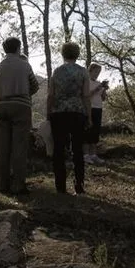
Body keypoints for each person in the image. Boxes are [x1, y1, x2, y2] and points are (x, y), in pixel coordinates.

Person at [0, 37, 40, 196]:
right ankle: (18, 185)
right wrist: (25, 93)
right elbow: (34, 85)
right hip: (21, 106)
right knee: (19, 146)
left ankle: (1, 185)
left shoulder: (0, 66)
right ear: (18, 47)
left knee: (2, 147)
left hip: (0, 106)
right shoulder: (24, 64)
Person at [46, 41, 91, 194]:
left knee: (58, 148)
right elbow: (86, 95)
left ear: (63, 54)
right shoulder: (83, 72)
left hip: (58, 113)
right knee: (78, 149)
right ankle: (79, 184)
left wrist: (48, 113)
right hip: (77, 112)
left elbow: (51, 95)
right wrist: (89, 115)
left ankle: (60, 186)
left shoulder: (56, 71)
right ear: (77, 54)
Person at [83, 63, 108, 165]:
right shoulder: (86, 82)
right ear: (90, 71)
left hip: (98, 108)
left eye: (99, 72)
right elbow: (86, 96)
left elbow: (103, 99)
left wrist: (104, 90)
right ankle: (85, 155)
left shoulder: (98, 83)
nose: (97, 74)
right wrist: (98, 88)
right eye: (96, 72)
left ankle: (93, 155)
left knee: (95, 132)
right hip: (89, 109)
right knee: (87, 132)